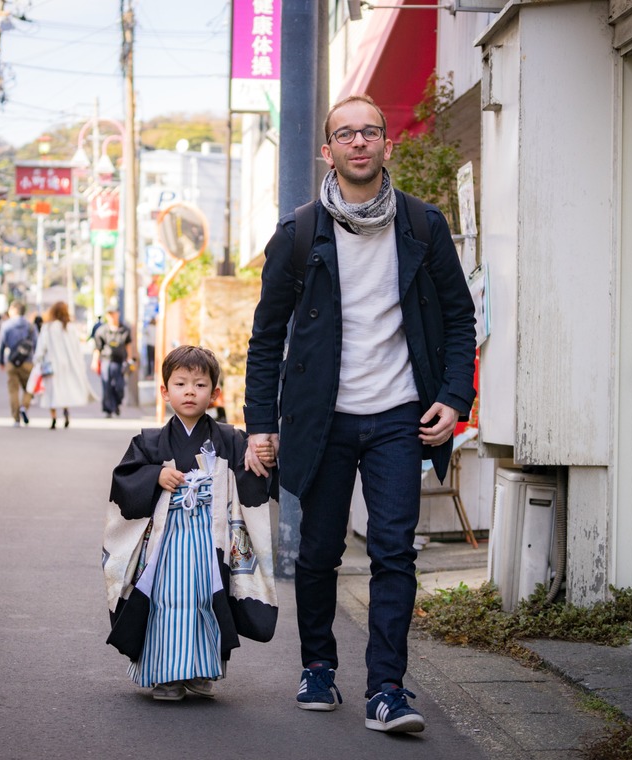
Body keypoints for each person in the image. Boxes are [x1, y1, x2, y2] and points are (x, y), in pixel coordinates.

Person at [243, 94, 477, 734]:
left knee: (394, 552)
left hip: (400, 415)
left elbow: (459, 319)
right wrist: (260, 423)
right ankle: (318, 664)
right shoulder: (298, 235)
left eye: (369, 131)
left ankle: (387, 691)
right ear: (328, 150)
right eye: (344, 134)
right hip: (323, 418)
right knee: (317, 554)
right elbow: (266, 339)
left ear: (385, 143)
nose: (357, 143)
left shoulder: (423, 227)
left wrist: (456, 398)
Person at [103, 345, 278, 701]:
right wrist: (155, 475)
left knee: (205, 600)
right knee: (166, 601)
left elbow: (252, 472)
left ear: (214, 394)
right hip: (166, 545)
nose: (189, 392)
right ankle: (166, 675)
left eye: (199, 385)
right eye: (180, 384)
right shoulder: (149, 441)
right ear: (165, 391)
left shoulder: (230, 439)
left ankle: (200, 670)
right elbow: (125, 479)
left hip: (210, 541)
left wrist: (264, 456)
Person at [32, 301, 96, 429]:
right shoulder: (71, 328)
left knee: (52, 392)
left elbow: (41, 348)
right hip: (68, 365)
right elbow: (77, 349)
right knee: (65, 390)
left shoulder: (48, 327)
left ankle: (54, 418)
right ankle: (66, 411)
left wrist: (37, 360)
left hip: (52, 365)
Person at [0, 301, 38, 426]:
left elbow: (1, 345)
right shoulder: (31, 326)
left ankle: (16, 418)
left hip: (12, 361)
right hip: (28, 362)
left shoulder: (6, 325)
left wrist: (1, 361)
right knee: (30, 388)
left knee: (13, 390)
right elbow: (36, 345)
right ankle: (24, 407)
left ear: (14, 310)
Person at [91, 305, 134, 417]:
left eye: (113, 313)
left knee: (119, 386)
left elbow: (128, 345)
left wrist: (129, 360)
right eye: (109, 314)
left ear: (118, 314)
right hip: (106, 361)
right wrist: (95, 361)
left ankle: (117, 404)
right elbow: (97, 348)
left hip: (120, 362)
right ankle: (108, 409)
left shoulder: (124, 330)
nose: (111, 316)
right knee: (107, 386)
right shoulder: (102, 331)